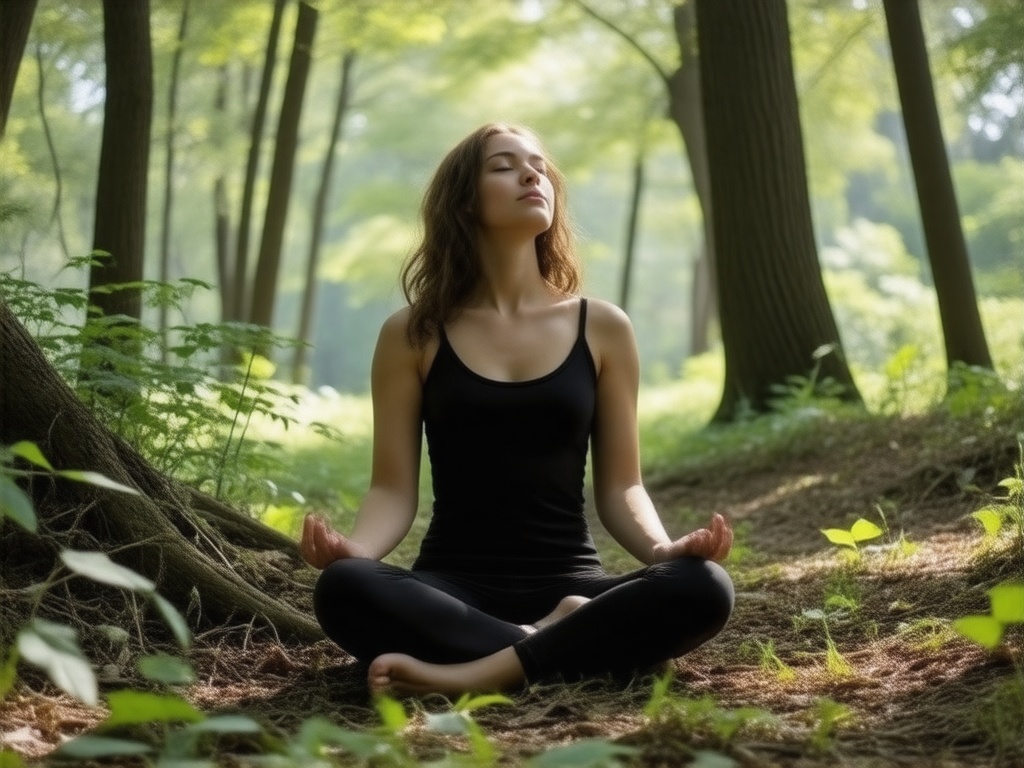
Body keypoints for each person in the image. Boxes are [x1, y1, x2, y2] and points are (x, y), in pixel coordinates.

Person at [300, 122, 734, 697]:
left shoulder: (602, 327)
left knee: (703, 585)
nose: (532, 174)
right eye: (503, 166)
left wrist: (662, 549)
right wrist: (357, 550)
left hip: (574, 581)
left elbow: (621, 485)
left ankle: (479, 672)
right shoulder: (413, 333)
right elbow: (393, 490)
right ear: (463, 202)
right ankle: (555, 640)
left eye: (539, 166)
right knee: (345, 587)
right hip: (452, 589)